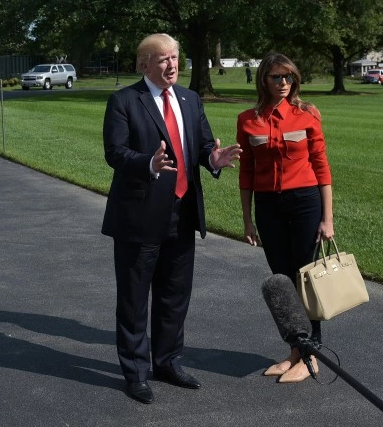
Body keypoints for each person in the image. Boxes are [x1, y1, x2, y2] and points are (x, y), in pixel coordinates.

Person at [101, 33, 242, 404]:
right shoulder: (124, 101)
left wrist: (213, 159)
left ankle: (167, 362)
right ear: (143, 64)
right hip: (139, 215)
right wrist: (147, 163)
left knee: (174, 295)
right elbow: (115, 152)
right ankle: (135, 372)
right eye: (162, 59)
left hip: (183, 212)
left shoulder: (190, 99)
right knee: (134, 300)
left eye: (175, 57)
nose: (171, 64)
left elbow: (204, 145)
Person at [236, 52, 333, 383]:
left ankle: (311, 354)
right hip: (268, 206)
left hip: (305, 202)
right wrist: (247, 220)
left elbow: (321, 165)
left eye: (288, 77)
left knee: (305, 278)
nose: (283, 83)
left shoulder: (307, 114)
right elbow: (246, 172)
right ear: (263, 79)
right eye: (276, 77)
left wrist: (327, 218)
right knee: (282, 281)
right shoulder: (248, 119)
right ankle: (295, 351)